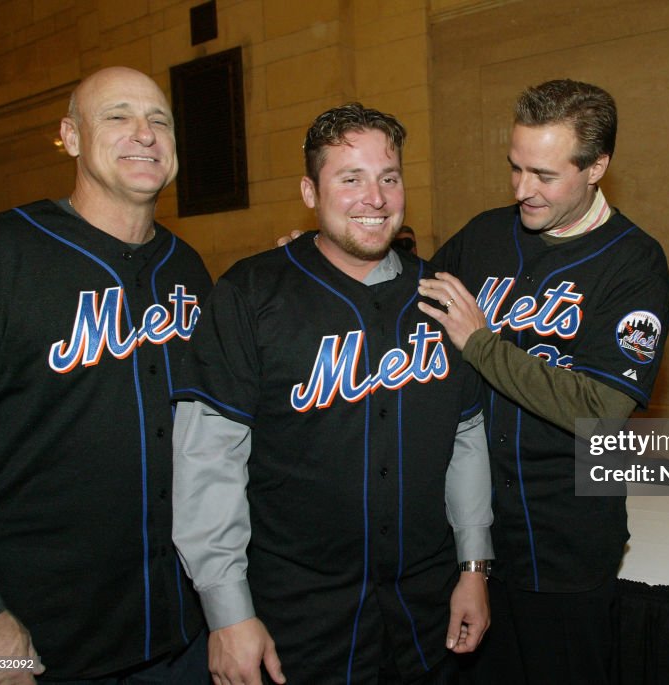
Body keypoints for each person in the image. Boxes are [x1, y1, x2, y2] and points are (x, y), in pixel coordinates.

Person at [171, 103, 493, 685]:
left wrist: (474, 566)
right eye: (351, 179)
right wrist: (227, 612)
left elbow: (466, 439)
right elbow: (206, 462)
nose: (375, 197)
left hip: (426, 608)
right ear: (309, 191)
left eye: (388, 178)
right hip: (296, 618)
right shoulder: (250, 294)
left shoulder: (445, 300)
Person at [417, 79, 669, 684]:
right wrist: (334, 255)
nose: (522, 190)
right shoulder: (484, 234)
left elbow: (600, 408)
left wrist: (481, 344)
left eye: (544, 175)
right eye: (515, 168)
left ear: (597, 167)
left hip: (565, 546)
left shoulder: (634, 261)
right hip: (468, 538)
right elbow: (410, 300)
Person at [0, 67, 210, 682]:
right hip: (29, 646)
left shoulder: (189, 269)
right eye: (118, 116)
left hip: (181, 636)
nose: (144, 134)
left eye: (160, 120)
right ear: (71, 137)